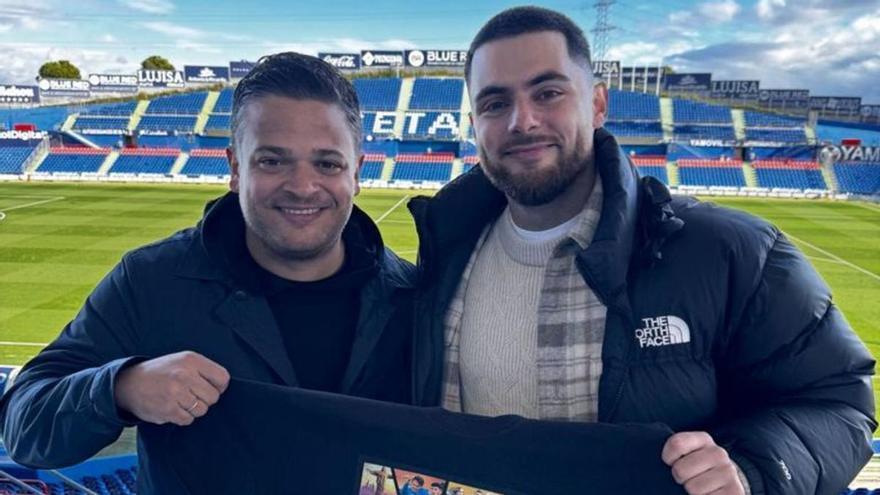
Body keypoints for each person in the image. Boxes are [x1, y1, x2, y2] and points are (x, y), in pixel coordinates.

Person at [407, 6, 875, 495]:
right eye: (494, 103)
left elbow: (838, 400)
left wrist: (751, 469)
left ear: (597, 104)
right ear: (473, 123)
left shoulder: (732, 251)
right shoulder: (440, 258)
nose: (522, 120)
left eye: (547, 93)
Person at [0, 52, 415, 492]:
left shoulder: (413, 298)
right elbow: (24, 427)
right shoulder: (152, 281)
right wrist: (121, 388)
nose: (302, 186)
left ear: (357, 173)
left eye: (327, 163)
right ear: (235, 167)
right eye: (272, 161)